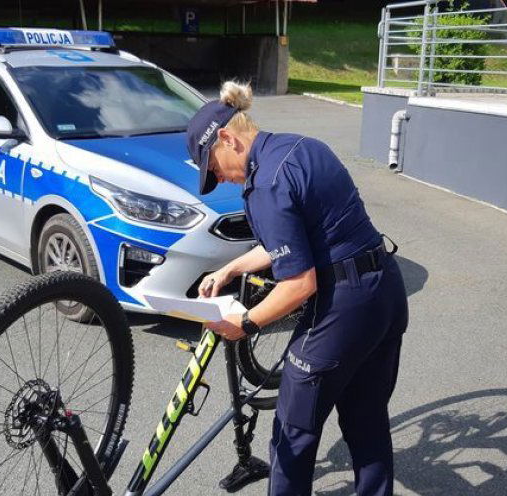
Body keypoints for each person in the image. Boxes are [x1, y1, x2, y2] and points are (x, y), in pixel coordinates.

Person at [187, 81, 409, 496]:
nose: (221, 179)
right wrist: (232, 268)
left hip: (344, 305)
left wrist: (246, 324)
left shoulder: (266, 183)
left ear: (227, 139)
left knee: (293, 430)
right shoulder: (301, 146)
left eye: (214, 168)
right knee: (367, 420)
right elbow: (290, 241)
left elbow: (299, 284)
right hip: (385, 292)